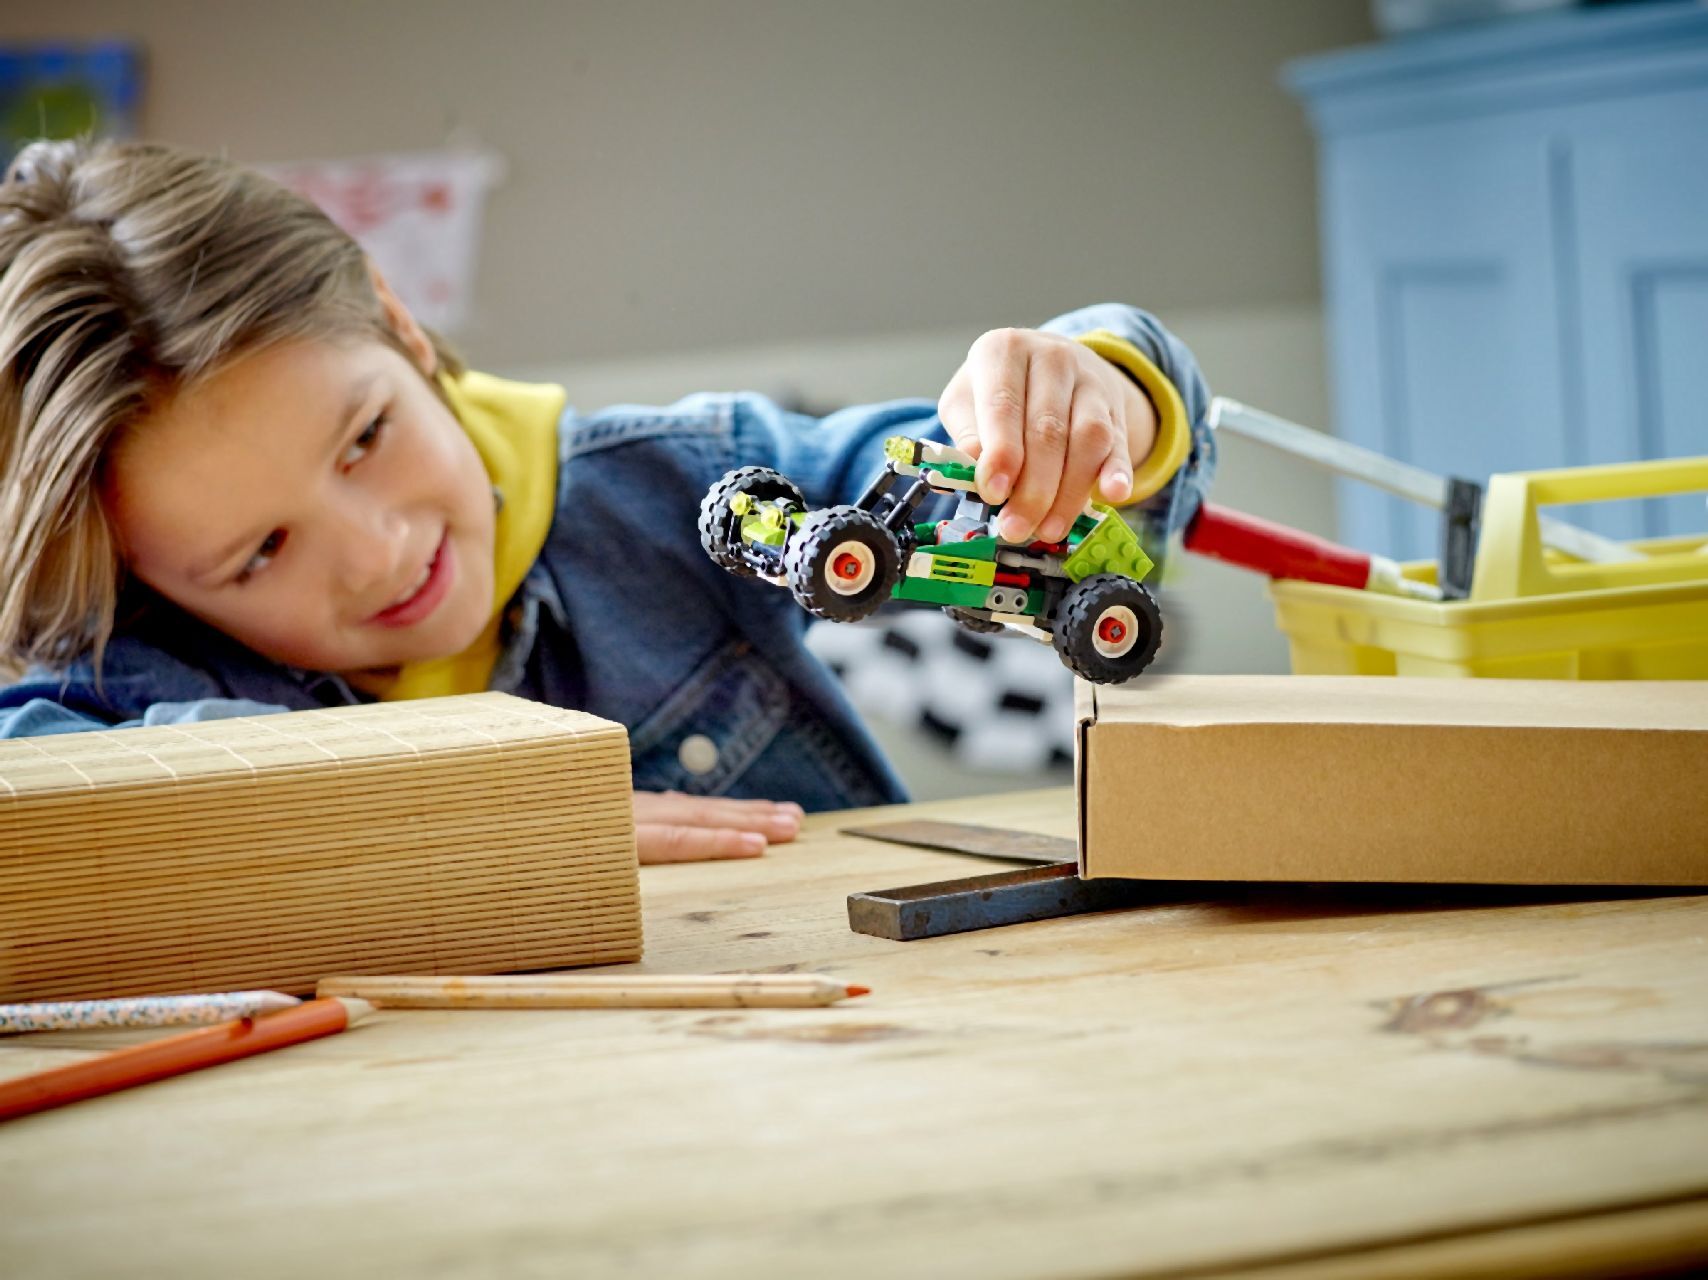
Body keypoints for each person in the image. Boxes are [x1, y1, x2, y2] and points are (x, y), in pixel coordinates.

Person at [0, 138, 1216, 862]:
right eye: (256, 552)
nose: (377, 554)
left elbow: (960, 478)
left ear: (399, 320)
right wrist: (438, 804)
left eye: (365, 437)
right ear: (146, 575)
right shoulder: (132, 670)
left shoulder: (671, 478)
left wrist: (1094, 393)